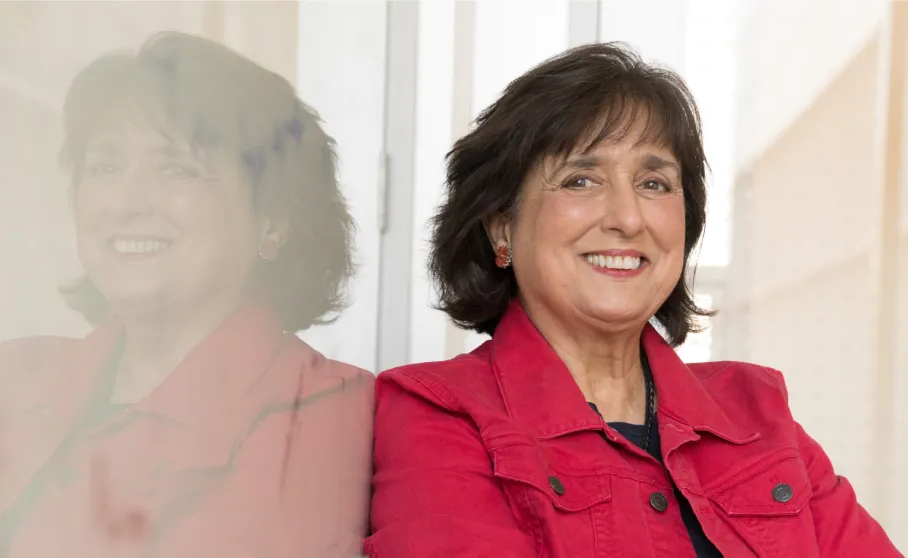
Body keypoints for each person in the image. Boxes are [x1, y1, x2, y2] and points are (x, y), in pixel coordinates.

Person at [0, 31, 372, 558]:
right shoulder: (18, 374)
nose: (126, 201)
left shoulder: (325, 408)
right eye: (105, 166)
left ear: (272, 221)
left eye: (178, 169)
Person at [365, 43, 901, 557]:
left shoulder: (757, 411)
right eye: (580, 180)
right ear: (501, 226)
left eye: (654, 184)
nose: (627, 217)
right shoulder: (438, 414)